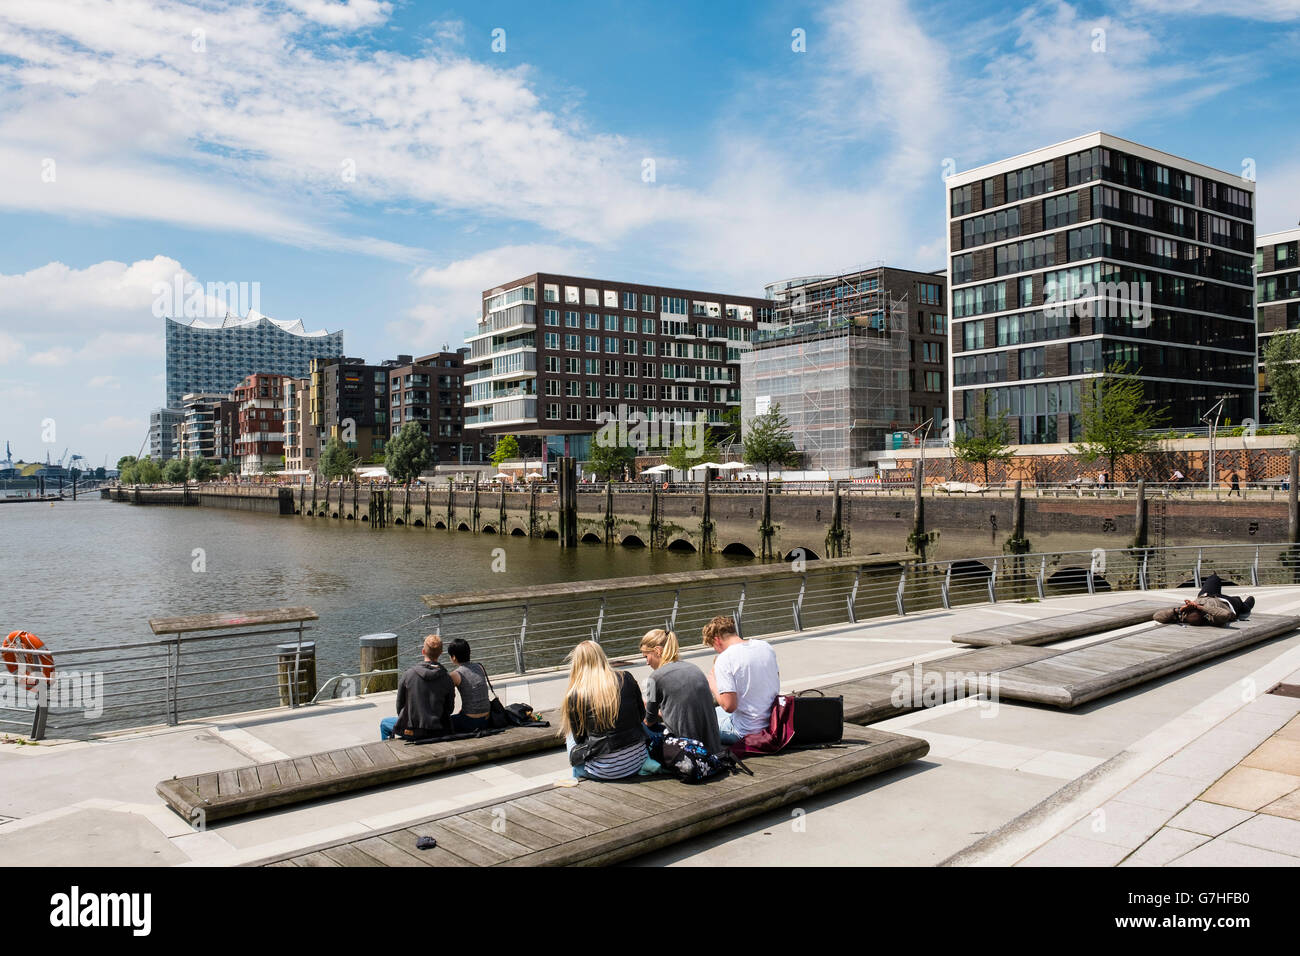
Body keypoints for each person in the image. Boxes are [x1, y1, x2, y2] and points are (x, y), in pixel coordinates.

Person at [561, 641, 659, 780]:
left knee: (569, 732)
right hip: (637, 761)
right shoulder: (626, 677)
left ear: (577, 663)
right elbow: (641, 715)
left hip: (606, 770)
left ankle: (576, 778)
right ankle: (646, 763)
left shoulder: (576, 694)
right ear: (602, 657)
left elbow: (580, 740)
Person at [639, 629, 723, 755]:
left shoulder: (654, 678)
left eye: (646, 656)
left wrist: (647, 709)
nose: (647, 662)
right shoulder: (694, 668)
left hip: (687, 750)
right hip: (713, 747)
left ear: (657, 650)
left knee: (640, 727)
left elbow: (649, 721)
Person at [702, 615, 780, 745]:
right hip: (773, 723)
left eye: (713, 646)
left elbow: (729, 706)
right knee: (713, 712)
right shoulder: (765, 646)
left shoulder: (725, 658)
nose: (715, 650)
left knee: (701, 721)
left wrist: (713, 684)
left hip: (744, 731)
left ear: (717, 640)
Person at [380, 634, 455, 741]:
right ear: (440, 653)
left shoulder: (408, 674)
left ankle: (388, 753)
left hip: (412, 731)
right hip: (438, 731)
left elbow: (399, 706)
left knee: (384, 724)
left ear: (423, 651)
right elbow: (450, 708)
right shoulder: (447, 678)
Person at [446, 638, 492, 732]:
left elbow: (447, 697)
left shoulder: (455, 674)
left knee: (444, 723)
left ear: (453, 657)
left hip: (470, 722)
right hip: (487, 719)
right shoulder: (480, 667)